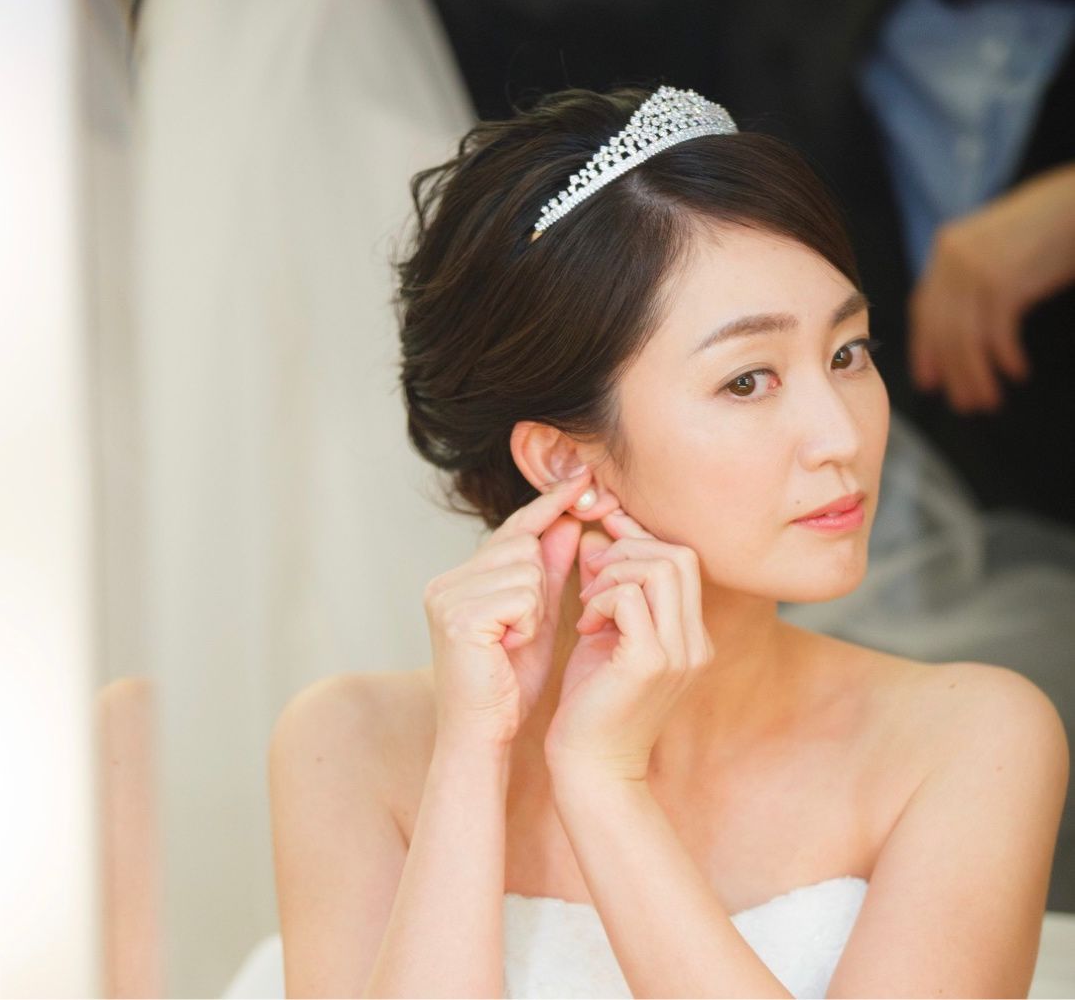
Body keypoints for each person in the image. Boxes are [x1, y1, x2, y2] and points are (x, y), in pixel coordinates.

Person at [268, 85, 1069, 997]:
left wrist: (603, 786)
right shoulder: (351, 746)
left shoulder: (971, 738)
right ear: (564, 459)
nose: (840, 435)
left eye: (847, 353)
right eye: (747, 381)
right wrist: (468, 760)